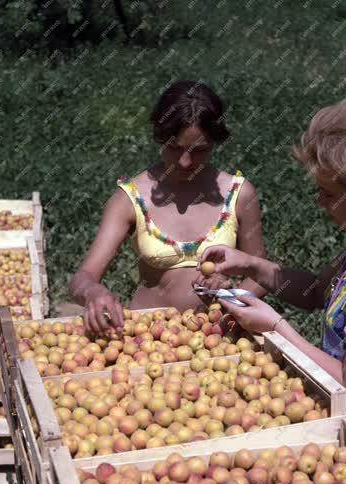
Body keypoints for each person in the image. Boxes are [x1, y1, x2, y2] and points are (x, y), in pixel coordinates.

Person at [199, 92, 346, 484]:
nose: (319, 201)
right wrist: (251, 264)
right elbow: (314, 292)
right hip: (344, 434)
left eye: (329, 193)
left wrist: (276, 328)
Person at [69, 80, 266, 335]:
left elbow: (262, 273)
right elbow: (82, 277)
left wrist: (229, 295)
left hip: (217, 339)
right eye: (174, 148)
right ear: (160, 138)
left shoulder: (238, 195)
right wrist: (92, 291)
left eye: (199, 151)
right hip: (148, 338)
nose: (185, 162)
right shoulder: (130, 198)